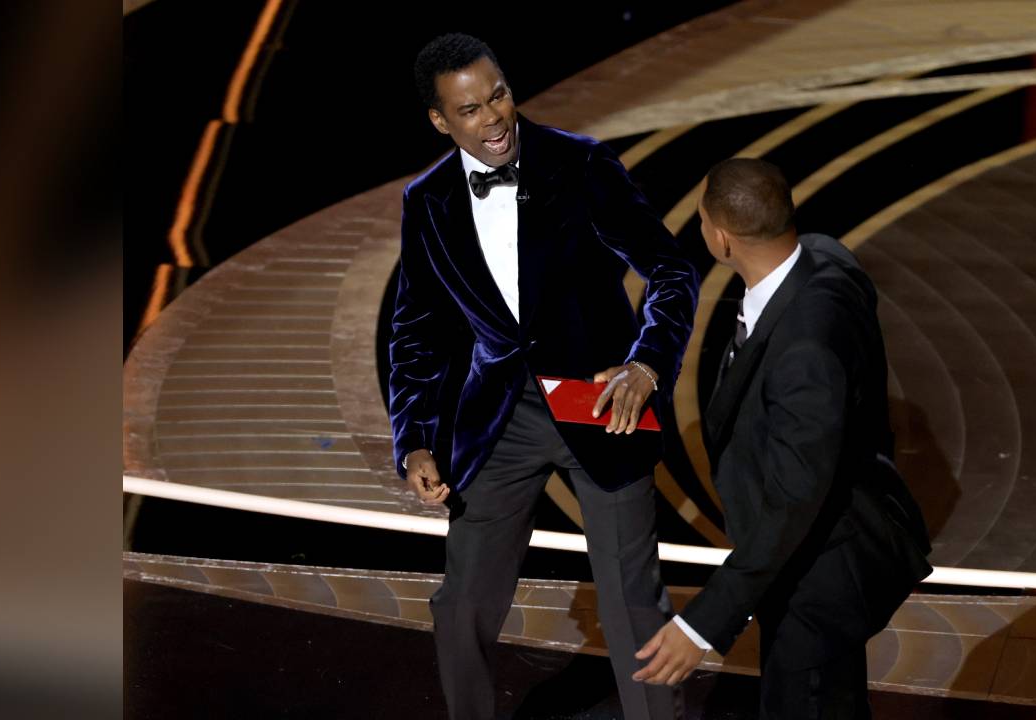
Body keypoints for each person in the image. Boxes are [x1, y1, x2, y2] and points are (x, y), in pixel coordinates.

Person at [388, 33, 699, 720]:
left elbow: (672, 270)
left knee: (631, 603)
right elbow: (415, 331)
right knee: (461, 601)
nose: (493, 118)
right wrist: (413, 440)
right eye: (469, 110)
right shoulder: (428, 200)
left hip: (600, 400)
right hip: (499, 417)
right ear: (441, 121)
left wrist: (649, 362)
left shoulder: (582, 164)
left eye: (497, 95)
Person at [632, 158, 932, 719]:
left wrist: (702, 624)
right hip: (814, 557)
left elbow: (796, 500)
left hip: (816, 581)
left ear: (720, 239)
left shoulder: (805, 351)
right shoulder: (826, 257)